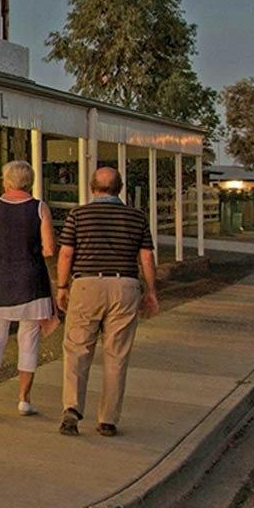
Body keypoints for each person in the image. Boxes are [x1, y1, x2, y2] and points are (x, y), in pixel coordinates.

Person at [54, 164, 160, 437]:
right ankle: (108, 419)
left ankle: (72, 408)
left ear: (92, 188)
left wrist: (62, 286)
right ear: (120, 188)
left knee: (77, 349)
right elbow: (146, 256)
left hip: (87, 284)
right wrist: (151, 291)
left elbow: (66, 253)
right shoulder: (136, 217)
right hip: (124, 285)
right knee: (116, 354)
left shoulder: (78, 215)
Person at [0, 159, 57, 417]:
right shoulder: (39, 208)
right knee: (28, 340)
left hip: (0, 277)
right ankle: (23, 400)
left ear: (6, 181)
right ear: (29, 182)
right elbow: (49, 249)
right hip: (31, 280)